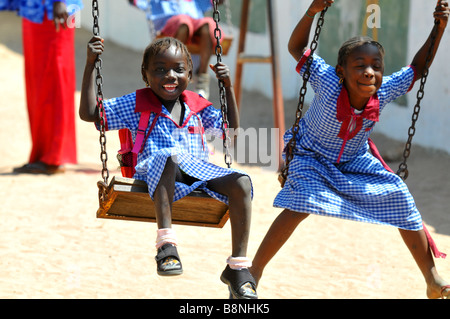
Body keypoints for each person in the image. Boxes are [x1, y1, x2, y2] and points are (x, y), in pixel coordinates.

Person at [249, 0, 450, 299]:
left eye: (376, 66)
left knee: (401, 197)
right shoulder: (327, 80)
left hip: (354, 160)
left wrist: (439, 28)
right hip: (309, 154)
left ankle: (432, 278)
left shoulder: (383, 91)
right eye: (360, 66)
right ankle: (253, 273)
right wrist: (311, 12)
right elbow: (296, 48)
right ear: (341, 71)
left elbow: (417, 68)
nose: (370, 72)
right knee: (300, 203)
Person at [79, 36, 257, 299]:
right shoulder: (137, 103)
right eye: (159, 69)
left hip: (195, 172)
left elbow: (230, 130)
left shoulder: (197, 105)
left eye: (178, 69)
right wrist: (91, 64)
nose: (169, 76)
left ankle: (238, 269)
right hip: (155, 171)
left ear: (190, 72)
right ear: (145, 74)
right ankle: (166, 246)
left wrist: (227, 87)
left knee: (241, 181)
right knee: (168, 155)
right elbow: (91, 113)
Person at [1, 0, 82, 174]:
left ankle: (54, 157)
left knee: (53, 80)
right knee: (37, 82)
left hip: (53, 10)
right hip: (34, 9)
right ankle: (42, 154)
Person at [129, 0, 226, 99]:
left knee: (209, 23)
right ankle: (176, 72)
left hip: (195, 27)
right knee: (183, 22)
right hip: (172, 27)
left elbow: (214, 2)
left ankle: (202, 77)